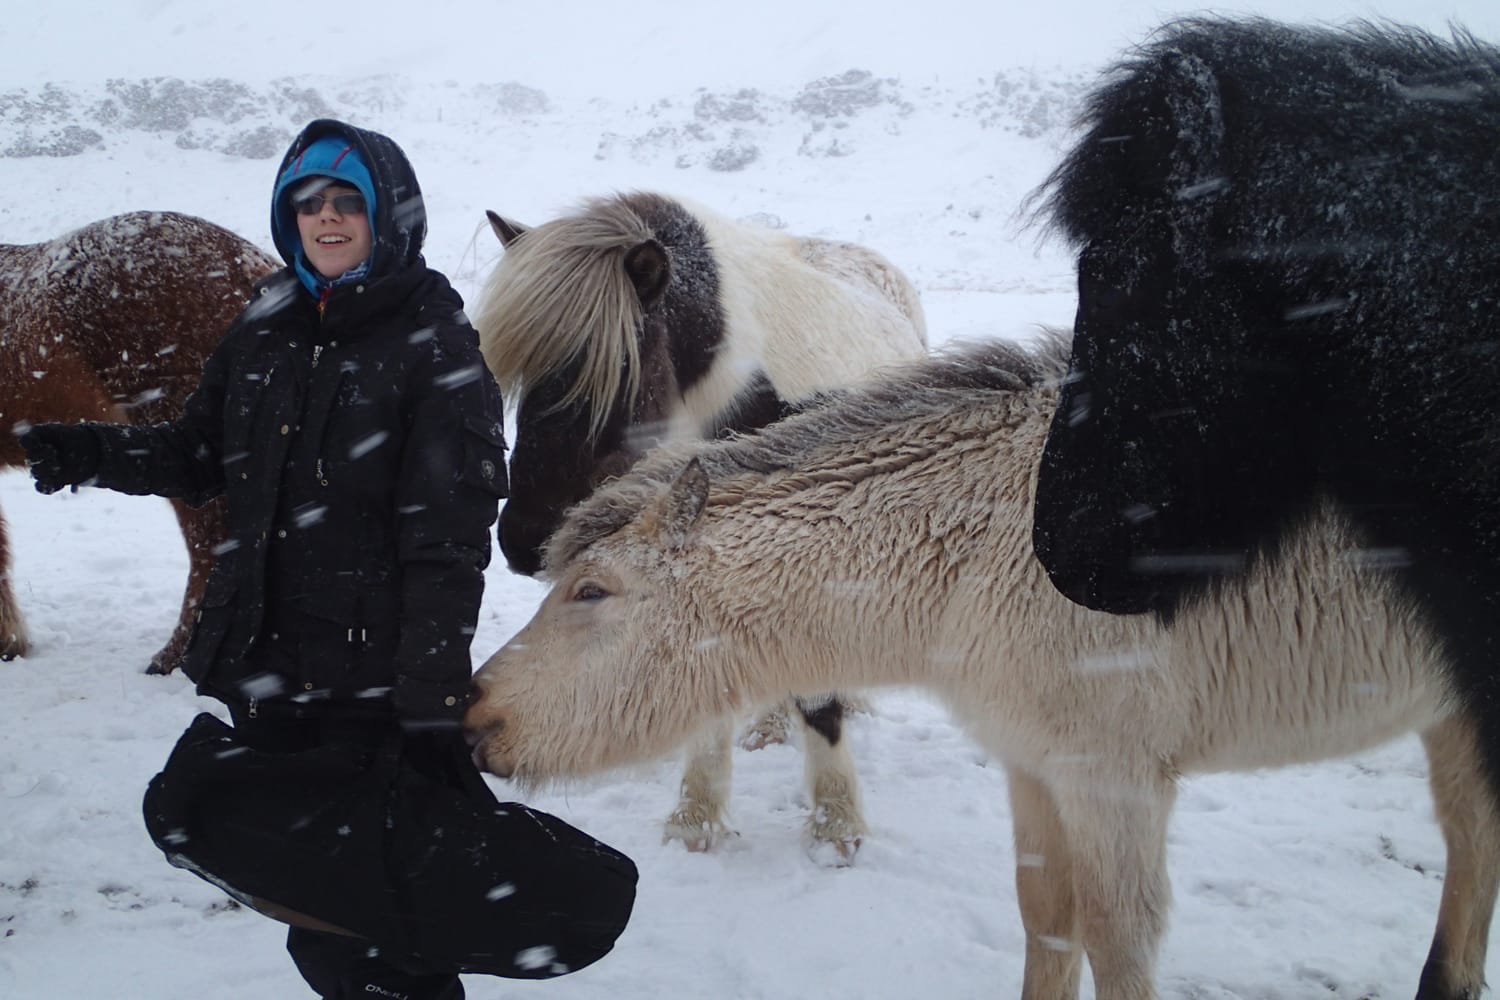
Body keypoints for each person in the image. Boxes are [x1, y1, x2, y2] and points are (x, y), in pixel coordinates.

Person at [19, 118, 508, 1000]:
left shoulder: (434, 347)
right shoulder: (269, 321)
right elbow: (199, 456)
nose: (325, 218)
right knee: (320, 915)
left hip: (369, 690)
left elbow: (448, 544)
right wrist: (88, 452)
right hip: (272, 674)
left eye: (347, 201)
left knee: (375, 931)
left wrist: (430, 705)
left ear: (388, 214)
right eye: (307, 202)